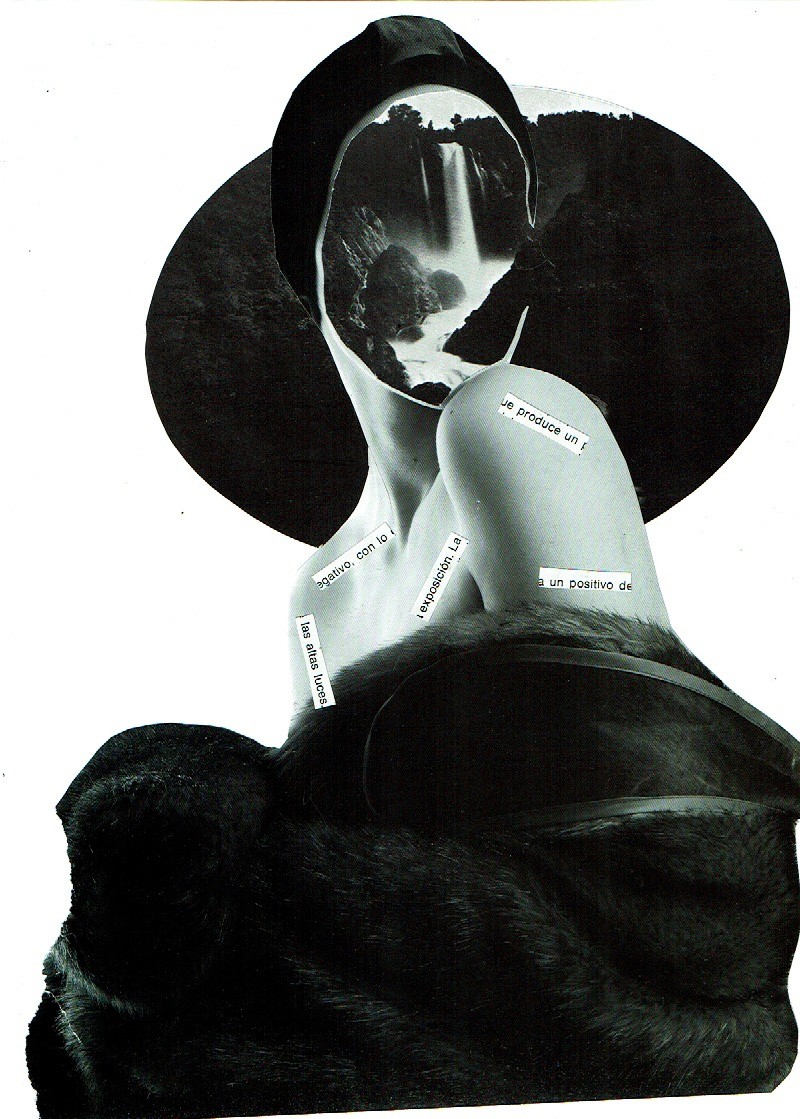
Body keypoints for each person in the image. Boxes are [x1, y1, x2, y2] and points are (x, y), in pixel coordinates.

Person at [27, 16, 800, 1119]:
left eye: (497, 201)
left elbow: (676, 893)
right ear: (305, 251)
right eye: (399, 197)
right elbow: (347, 902)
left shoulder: (517, 422)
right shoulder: (325, 590)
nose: (461, 262)